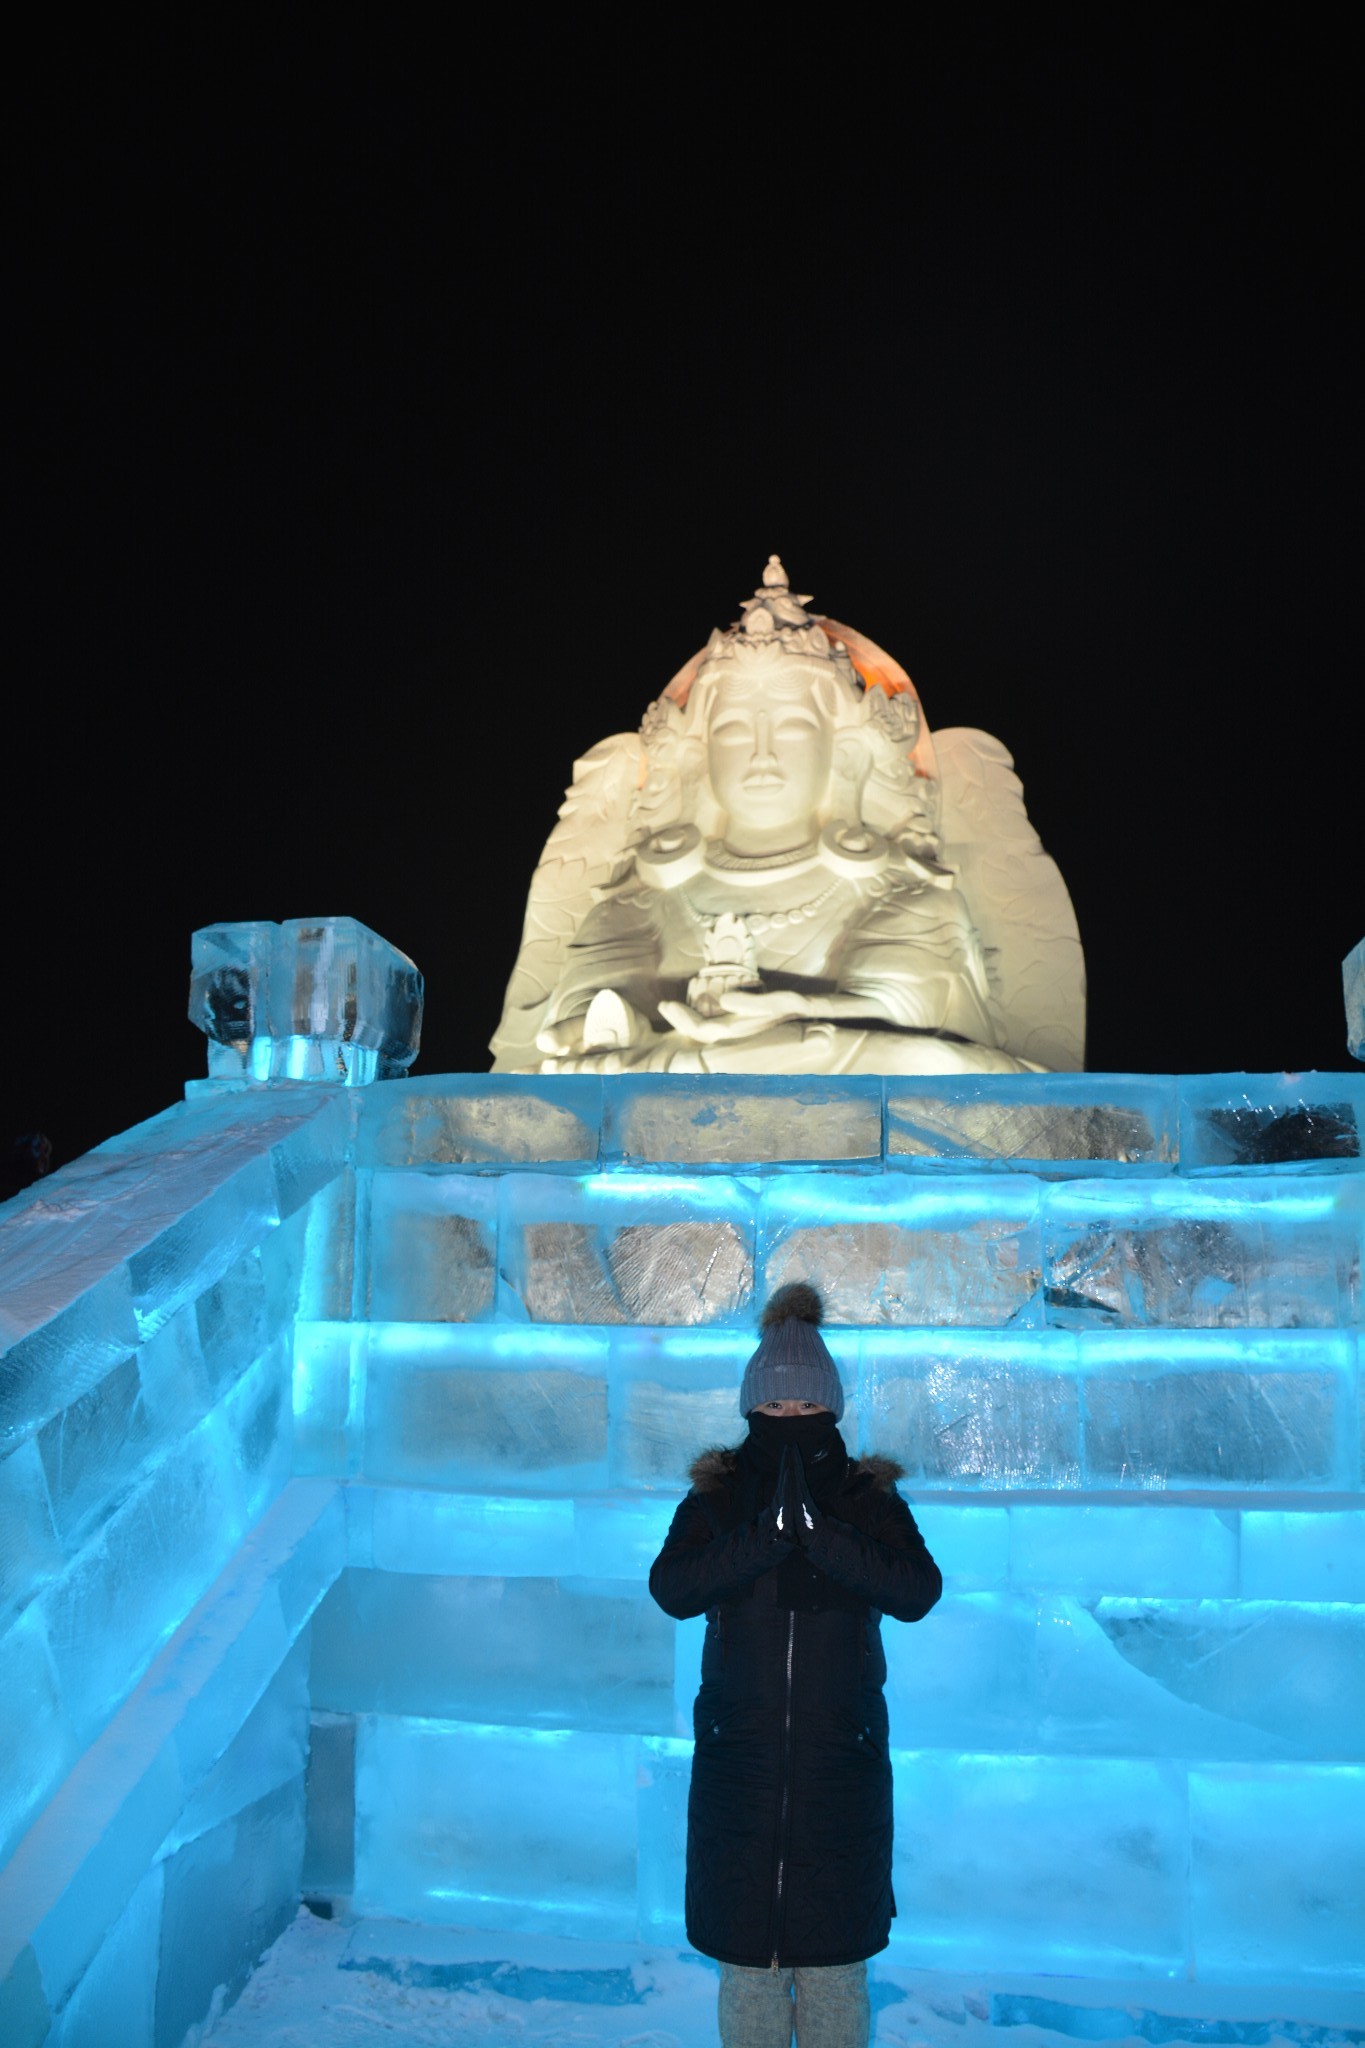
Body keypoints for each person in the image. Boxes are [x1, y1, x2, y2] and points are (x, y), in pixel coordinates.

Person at [648, 1282, 942, 2048]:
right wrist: (765, 1537)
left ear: (829, 1409)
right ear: (750, 1410)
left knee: (834, 1967)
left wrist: (821, 1535)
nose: (787, 1422)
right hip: (738, 1765)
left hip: (836, 1766)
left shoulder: (865, 1497)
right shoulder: (715, 1497)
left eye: (800, 1408)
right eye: (772, 1409)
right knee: (745, 1966)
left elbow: (915, 1592)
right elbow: (672, 1589)